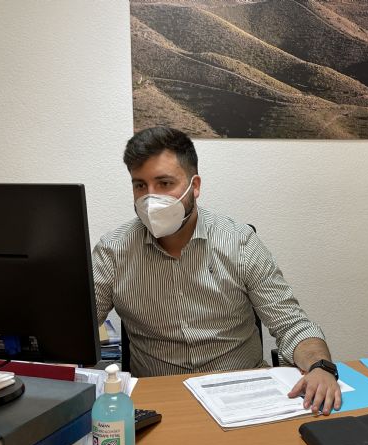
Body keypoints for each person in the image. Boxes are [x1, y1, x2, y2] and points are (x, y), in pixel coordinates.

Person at [92, 126, 341, 415]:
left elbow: (292, 324)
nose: (150, 199)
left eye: (164, 183)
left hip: (244, 394)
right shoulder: (113, 251)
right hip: (160, 401)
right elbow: (77, 333)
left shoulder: (240, 242)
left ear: (194, 186)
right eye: (140, 186)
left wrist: (320, 366)